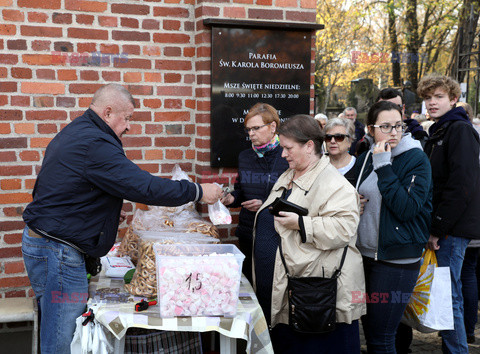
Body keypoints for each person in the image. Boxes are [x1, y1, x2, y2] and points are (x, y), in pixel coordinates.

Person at [21, 84, 223, 353]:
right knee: (62, 338)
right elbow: (143, 187)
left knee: (55, 326)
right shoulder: (95, 142)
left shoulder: (80, 131)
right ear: (107, 112)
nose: (128, 126)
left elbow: (73, 188)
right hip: (58, 251)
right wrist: (198, 191)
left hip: (47, 244)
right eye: (127, 118)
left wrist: (104, 212)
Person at [253, 114, 365, 353]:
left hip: (314, 298)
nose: (283, 154)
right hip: (290, 294)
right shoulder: (291, 173)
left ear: (310, 146)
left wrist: (303, 224)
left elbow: (345, 229)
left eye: (287, 148)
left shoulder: (335, 184)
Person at [354, 101, 432, 353]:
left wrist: (385, 166)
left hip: (396, 261)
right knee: (370, 331)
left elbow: (407, 208)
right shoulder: (366, 157)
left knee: (382, 336)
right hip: (364, 257)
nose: (394, 132)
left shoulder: (416, 159)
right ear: (370, 129)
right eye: (385, 126)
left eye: (398, 125)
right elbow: (352, 192)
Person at [419, 75, 480, 354]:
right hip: (446, 227)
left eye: (439, 97)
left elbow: (461, 184)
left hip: (452, 230)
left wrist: (439, 227)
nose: (432, 102)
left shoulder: (459, 130)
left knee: (449, 295)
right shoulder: (440, 130)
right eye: (428, 97)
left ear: (453, 99)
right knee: (445, 294)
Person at [221, 103, 289, 283]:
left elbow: (295, 198)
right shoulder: (245, 156)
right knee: (248, 285)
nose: (251, 134)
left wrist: (265, 205)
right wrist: (230, 198)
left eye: (256, 128)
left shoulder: (287, 156)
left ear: (273, 126)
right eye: (248, 129)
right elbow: (241, 191)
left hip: (275, 234)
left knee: (270, 287)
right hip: (247, 232)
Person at [324, 117, 356, 185]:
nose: (332, 141)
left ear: (349, 141)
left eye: (339, 137)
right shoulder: (318, 165)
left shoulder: (360, 167)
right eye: (328, 137)